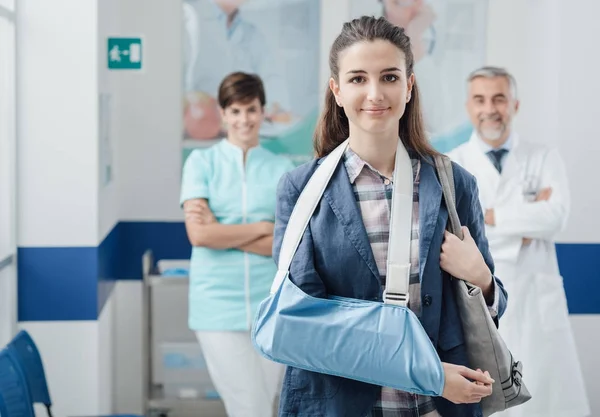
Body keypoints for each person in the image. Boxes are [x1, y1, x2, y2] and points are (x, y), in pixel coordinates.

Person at [270, 16, 507, 417]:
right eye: (358, 79)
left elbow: (491, 308)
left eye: (390, 77)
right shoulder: (302, 191)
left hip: (436, 407)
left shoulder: (454, 184)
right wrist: (427, 373)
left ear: (410, 86)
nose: (375, 93)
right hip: (341, 404)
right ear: (337, 90)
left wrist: (482, 279)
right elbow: (306, 326)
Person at [448, 66, 590, 417]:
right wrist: (526, 217)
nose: (490, 108)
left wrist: (488, 217)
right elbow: (456, 235)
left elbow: (555, 217)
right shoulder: (453, 163)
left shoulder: (544, 157)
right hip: (481, 304)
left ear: (515, 105)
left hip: (536, 302)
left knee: (549, 402)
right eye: (480, 100)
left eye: (499, 98)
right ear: (469, 107)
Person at [180, 72, 295, 417]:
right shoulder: (201, 163)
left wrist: (224, 232)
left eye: (251, 110)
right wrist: (262, 227)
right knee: (249, 405)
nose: (244, 119)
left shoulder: (283, 169)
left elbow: (285, 246)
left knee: (265, 402)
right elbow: (199, 235)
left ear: (262, 112)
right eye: (235, 111)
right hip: (216, 305)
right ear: (223, 113)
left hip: (271, 305)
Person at [182, 0, 292, 140]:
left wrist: (274, 108)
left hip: (243, 137)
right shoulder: (187, 18)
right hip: (197, 137)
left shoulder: (251, 32)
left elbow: (274, 85)